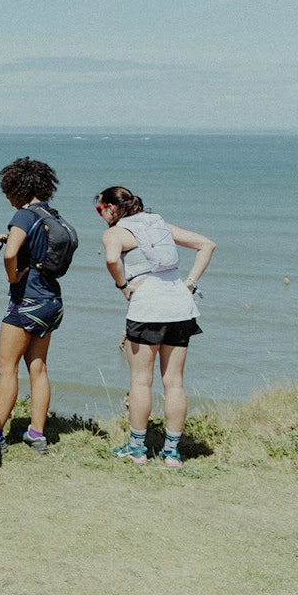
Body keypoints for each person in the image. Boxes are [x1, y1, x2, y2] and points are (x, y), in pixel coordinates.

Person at [96, 186, 216, 468]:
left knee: (141, 380)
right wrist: (190, 282)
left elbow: (112, 259)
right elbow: (207, 245)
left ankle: (137, 449)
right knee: (174, 381)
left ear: (112, 208)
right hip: (180, 306)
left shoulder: (115, 232)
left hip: (147, 307)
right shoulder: (161, 225)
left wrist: (123, 285)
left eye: (100, 209)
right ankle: (172, 452)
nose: (100, 214)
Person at [0, 158, 64, 456]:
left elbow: (11, 255)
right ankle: (37, 434)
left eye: (8, 190)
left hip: (27, 302)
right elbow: (32, 243)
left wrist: (13, 275)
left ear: (17, 187)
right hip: (51, 301)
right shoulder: (51, 213)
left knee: (6, 369)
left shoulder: (23, 214)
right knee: (38, 367)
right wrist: (7, 235)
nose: (7, 197)